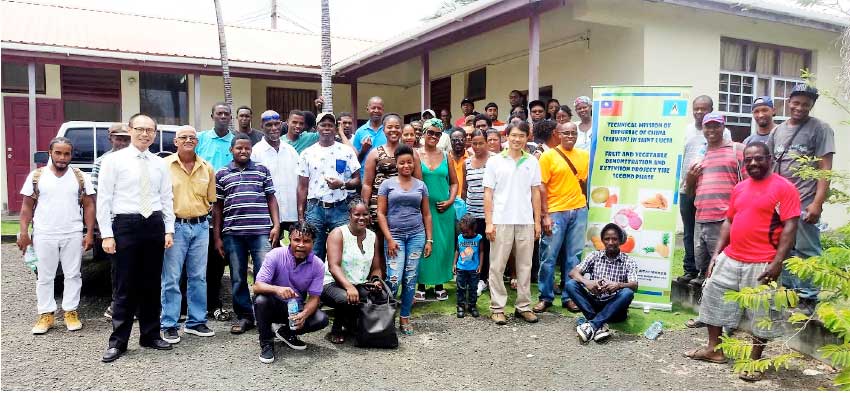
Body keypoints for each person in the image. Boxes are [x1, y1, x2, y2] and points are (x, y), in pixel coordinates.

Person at [685, 142, 800, 382]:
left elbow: (791, 226)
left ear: (769, 158)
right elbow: (729, 221)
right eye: (748, 160)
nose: (753, 163)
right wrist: (717, 254)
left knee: (762, 313)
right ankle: (714, 350)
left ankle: (755, 361)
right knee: (713, 297)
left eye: (759, 158)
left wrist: (778, 261)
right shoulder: (739, 187)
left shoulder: (785, 188)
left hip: (762, 262)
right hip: (732, 257)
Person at [98, 113, 176, 362]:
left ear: (155, 133)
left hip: (153, 224)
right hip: (125, 225)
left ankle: (150, 335)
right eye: (140, 129)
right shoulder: (114, 161)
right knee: (125, 286)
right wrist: (107, 235)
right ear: (130, 130)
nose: (145, 134)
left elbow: (166, 199)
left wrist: (168, 229)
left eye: (150, 130)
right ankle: (118, 342)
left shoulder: (159, 163)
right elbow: (104, 200)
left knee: (152, 284)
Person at [767, 84, 835, 315]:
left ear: (811, 105)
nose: (800, 107)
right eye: (796, 102)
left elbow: (825, 169)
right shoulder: (778, 131)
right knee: (784, 249)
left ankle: (808, 298)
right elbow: (771, 165)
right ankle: (788, 293)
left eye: (806, 104)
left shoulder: (820, 129)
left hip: (805, 201)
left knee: (807, 250)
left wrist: (818, 203)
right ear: (788, 101)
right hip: (779, 204)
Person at [18, 137, 94, 335]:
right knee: (45, 276)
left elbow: (88, 205)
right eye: (58, 153)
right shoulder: (36, 176)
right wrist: (24, 232)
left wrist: (90, 234)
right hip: (44, 233)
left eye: (66, 153)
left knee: (73, 274)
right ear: (50, 153)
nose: (62, 157)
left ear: (71, 155)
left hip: (73, 232)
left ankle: (70, 311)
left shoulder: (80, 177)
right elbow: (27, 206)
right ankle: (46, 314)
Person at [213, 133, 280, 335]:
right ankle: (245, 317)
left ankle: (266, 316)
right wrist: (217, 236)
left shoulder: (261, 170)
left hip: (261, 232)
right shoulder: (222, 174)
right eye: (239, 148)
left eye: (247, 148)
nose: (243, 151)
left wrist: (276, 225)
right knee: (238, 277)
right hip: (233, 234)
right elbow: (217, 207)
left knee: (265, 276)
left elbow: (271, 199)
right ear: (231, 150)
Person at [160, 126, 217, 344]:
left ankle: (196, 322)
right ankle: (169, 324)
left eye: (192, 138)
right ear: (175, 142)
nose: (188, 140)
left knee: (198, 276)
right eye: (183, 137)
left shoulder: (207, 168)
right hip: (175, 227)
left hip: (201, 226)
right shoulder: (164, 166)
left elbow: (211, 200)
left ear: (197, 142)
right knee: (172, 277)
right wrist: (167, 228)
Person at [484, 121, 542, 325]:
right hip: (501, 221)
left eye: (522, 136)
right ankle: (497, 307)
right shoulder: (495, 161)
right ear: (506, 136)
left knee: (525, 266)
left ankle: (523, 306)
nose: (517, 139)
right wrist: (489, 223)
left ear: (527, 138)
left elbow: (536, 192)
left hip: (525, 220)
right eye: (514, 135)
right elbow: (488, 193)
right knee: (497, 266)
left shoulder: (532, 162)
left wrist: (537, 221)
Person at [376, 144, 433, 334]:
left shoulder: (421, 185)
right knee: (394, 278)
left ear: (413, 163)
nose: (406, 166)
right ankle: (387, 317)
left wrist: (429, 240)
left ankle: (405, 317)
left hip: (417, 235)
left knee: (410, 278)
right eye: (402, 163)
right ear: (396, 164)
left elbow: (426, 214)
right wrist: (389, 239)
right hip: (395, 237)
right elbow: (381, 214)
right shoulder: (387, 185)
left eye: (409, 162)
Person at [253, 222, 329, 364]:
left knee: (321, 319)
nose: (301, 245)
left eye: (306, 241)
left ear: (313, 243)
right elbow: (257, 287)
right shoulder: (275, 255)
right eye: (296, 240)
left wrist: (304, 315)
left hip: (294, 310)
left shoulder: (318, 265)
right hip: (273, 305)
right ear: (290, 240)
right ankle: (266, 343)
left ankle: (286, 333)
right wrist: (277, 289)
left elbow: (314, 298)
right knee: (261, 300)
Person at [676, 96, 732, 286]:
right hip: (687, 187)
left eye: (704, 109)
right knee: (689, 231)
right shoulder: (686, 130)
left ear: (711, 109)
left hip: (710, 191)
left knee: (712, 232)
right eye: (696, 109)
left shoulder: (725, 134)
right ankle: (690, 268)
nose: (699, 112)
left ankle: (711, 271)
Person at [684, 112, 745, 288]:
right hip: (701, 216)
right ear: (702, 129)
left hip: (724, 218)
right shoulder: (700, 155)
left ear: (723, 128)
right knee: (703, 266)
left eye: (716, 126)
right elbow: (689, 192)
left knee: (723, 266)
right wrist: (690, 178)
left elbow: (749, 184)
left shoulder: (737, 150)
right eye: (707, 126)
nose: (711, 130)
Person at [535, 122, 589, 313]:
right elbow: (541, 186)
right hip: (556, 212)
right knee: (548, 256)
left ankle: (570, 297)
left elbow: (584, 182)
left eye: (573, 133)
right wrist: (545, 215)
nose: (570, 136)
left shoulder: (583, 156)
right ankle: (545, 296)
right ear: (557, 134)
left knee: (573, 258)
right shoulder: (548, 156)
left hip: (579, 210)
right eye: (566, 133)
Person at [297, 112, 361, 260]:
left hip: (340, 208)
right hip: (315, 209)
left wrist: (342, 184)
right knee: (314, 252)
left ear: (335, 128)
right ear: (317, 128)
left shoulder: (346, 151)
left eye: (330, 125)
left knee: (342, 252)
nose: (327, 128)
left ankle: (337, 283)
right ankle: (315, 283)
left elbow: (357, 180)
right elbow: (302, 187)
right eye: (323, 125)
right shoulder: (307, 153)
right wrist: (301, 216)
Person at [321, 199, 384, 344]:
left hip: (358, 283)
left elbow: (376, 268)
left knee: (380, 295)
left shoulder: (372, 236)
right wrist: (349, 287)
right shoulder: (338, 234)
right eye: (357, 214)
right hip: (332, 283)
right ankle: (336, 329)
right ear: (349, 215)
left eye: (365, 214)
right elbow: (334, 266)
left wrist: (375, 281)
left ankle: (355, 325)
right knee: (346, 298)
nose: (361, 218)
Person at [195, 102, 235, 323]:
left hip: (229, 211)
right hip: (203, 210)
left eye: (226, 114)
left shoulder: (235, 142)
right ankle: (191, 305)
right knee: (196, 261)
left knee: (218, 262)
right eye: (218, 113)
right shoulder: (201, 139)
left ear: (230, 117)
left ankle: (214, 303)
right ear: (212, 116)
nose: (222, 116)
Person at [566, 223, 638, 343]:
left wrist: (618, 285)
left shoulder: (628, 261)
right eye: (607, 239)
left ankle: (592, 325)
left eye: (614, 239)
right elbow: (573, 272)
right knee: (571, 284)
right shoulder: (594, 255)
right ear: (602, 240)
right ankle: (599, 325)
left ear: (620, 240)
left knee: (627, 292)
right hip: (594, 304)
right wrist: (587, 282)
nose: (610, 242)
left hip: (615, 308)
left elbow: (634, 285)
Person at [91, 123, 130, 320]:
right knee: (118, 267)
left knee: (136, 265)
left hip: (134, 222)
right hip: (114, 222)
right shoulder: (102, 161)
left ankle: (137, 305)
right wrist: (101, 226)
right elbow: (97, 195)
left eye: (126, 138)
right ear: (110, 138)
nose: (122, 142)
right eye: (119, 138)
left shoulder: (136, 159)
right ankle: (117, 304)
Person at [417, 119, 458, 301]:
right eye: (430, 132)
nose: (433, 136)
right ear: (424, 133)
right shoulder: (416, 155)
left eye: (437, 134)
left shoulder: (446, 156)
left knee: (442, 245)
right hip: (422, 209)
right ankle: (422, 285)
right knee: (424, 242)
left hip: (443, 210)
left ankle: (440, 284)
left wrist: (450, 200)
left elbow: (454, 182)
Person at [362, 114, 423, 228]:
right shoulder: (375, 153)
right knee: (378, 241)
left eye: (397, 127)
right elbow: (367, 185)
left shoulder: (411, 152)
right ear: (384, 129)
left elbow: (418, 182)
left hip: (404, 206)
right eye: (389, 127)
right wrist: (365, 208)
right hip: (378, 205)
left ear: (401, 129)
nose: (393, 130)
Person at [251, 110, 301, 239]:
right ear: (262, 126)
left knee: (292, 256)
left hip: (291, 214)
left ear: (281, 125)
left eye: (276, 124)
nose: (273, 128)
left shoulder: (291, 151)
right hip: (266, 218)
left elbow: (300, 182)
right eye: (269, 125)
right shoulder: (255, 152)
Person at [463, 129, 494, 296]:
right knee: (472, 247)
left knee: (488, 248)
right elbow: (464, 189)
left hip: (489, 214)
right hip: (471, 213)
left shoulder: (495, 160)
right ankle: (471, 277)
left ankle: (484, 279)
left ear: (487, 142)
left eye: (481, 143)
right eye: (474, 143)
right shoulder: (466, 162)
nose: (477, 146)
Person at [454, 214, 483, 318]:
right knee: (460, 288)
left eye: (466, 231)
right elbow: (457, 250)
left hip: (473, 269)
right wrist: (454, 264)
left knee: (473, 288)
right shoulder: (460, 237)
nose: (464, 234)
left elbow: (481, 252)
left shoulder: (479, 238)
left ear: (473, 228)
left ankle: (472, 306)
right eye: (462, 231)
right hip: (461, 268)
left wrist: (480, 264)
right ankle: (460, 306)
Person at [92, 123, 131, 192]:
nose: (123, 143)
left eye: (126, 140)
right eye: (119, 139)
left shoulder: (138, 160)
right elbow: (94, 189)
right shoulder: (101, 162)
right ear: (110, 140)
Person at [352, 96, 386, 175]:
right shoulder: (360, 132)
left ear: (383, 110)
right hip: (364, 177)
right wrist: (363, 150)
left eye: (379, 108)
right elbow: (354, 161)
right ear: (367, 109)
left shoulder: (388, 131)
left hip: (385, 177)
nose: (376, 111)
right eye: (373, 108)